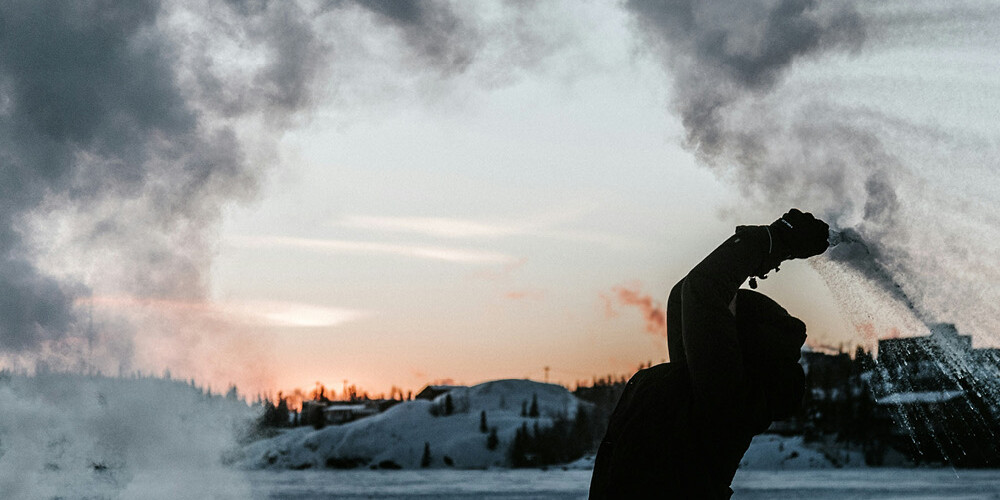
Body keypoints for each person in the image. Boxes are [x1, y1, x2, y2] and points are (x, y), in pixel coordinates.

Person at [589, 209, 830, 499]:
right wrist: (764, 252)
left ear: (741, 340)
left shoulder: (727, 394)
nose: (717, 314)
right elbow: (685, 296)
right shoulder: (705, 387)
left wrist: (773, 240)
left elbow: (702, 289)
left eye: (729, 312)